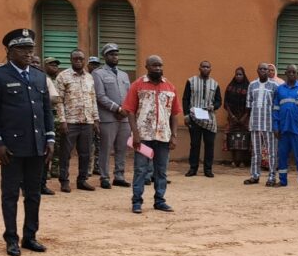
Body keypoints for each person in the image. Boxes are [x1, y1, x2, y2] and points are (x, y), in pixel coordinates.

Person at [0, 28, 55, 256]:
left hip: (36, 145)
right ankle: (11, 238)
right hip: (11, 147)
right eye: (22, 49)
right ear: (9, 51)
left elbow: (46, 111)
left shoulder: (38, 76)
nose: (27, 53)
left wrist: (50, 138)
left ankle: (30, 236)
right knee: (11, 194)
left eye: (29, 48)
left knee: (34, 194)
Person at [123, 55, 181, 214]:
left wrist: (174, 135)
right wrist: (135, 134)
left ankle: (160, 201)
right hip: (143, 137)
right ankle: (136, 202)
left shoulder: (170, 87)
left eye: (160, 65)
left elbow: (175, 114)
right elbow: (130, 111)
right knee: (141, 169)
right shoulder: (137, 85)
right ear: (147, 66)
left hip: (163, 137)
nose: (158, 68)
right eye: (154, 65)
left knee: (161, 170)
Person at [56, 49, 98, 192]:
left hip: (87, 121)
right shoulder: (62, 76)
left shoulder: (89, 77)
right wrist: (62, 120)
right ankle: (64, 180)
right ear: (71, 60)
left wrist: (95, 119)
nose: (79, 61)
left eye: (81, 58)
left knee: (85, 153)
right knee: (65, 153)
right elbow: (59, 101)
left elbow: (93, 99)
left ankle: (82, 180)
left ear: (84, 60)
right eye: (76, 59)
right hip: (70, 122)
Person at [93, 43, 131, 189]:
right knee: (106, 148)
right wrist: (117, 108)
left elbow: (129, 95)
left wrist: (126, 110)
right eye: (111, 54)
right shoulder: (98, 73)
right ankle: (104, 177)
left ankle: (119, 176)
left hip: (124, 117)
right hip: (108, 117)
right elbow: (100, 96)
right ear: (105, 56)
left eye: (116, 54)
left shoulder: (124, 74)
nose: (115, 57)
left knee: (122, 148)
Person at [273, 64, 298, 189]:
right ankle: (282, 181)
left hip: (297, 129)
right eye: (289, 72)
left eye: (294, 72)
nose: (291, 74)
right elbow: (276, 109)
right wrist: (275, 126)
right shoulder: (280, 90)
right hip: (283, 129)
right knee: (282, 155)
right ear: (285, 73)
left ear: (297, 73)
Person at [183, 60, 221, 177]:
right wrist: (186, 115)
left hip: (209, 118)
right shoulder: (191, 81)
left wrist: (213, 106)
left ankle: (208, 169)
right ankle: (193, 168)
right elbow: (186, 99)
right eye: (203, 67)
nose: (205, 69)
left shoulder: (215, 84)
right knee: (195, 144)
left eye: (208, 67)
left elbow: (219, 101)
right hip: (194, 117)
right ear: (199, 68)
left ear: (210, 69)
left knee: (209, 144)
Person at [245, 63, 278, 186]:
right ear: (257, 70)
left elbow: (276, 106)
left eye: (266, 69)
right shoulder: (252, 85)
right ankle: (254, 176)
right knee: (255, 151)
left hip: (269, 124)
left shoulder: (275, 85)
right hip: (255, 124)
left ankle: (272, 177)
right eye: (261, 69)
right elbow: (248, 105)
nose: (264, 71)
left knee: (272, 152)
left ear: (269, 71)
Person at [40, 56, 62, 195]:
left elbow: (56, 99)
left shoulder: (57, 80)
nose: (54, 67)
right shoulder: (41, 78)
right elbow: (54, 99)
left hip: (52, 117)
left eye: (56, 65)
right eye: (51, 64)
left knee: (51, 148)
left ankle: (43, 182)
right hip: (38, 119)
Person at [223, 66, 250, 168]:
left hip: (245, 118)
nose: (238, 76)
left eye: (240, 74)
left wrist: (244, 116)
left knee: (244, 138)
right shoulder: (230, 87)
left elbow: (250, 103)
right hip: (232, 118)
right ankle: (234, 160)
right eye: (237, 74)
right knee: (232, 138)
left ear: (244, 75)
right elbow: (226, 103)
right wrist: (232, 115)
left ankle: (243, 161)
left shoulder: (248, 87)